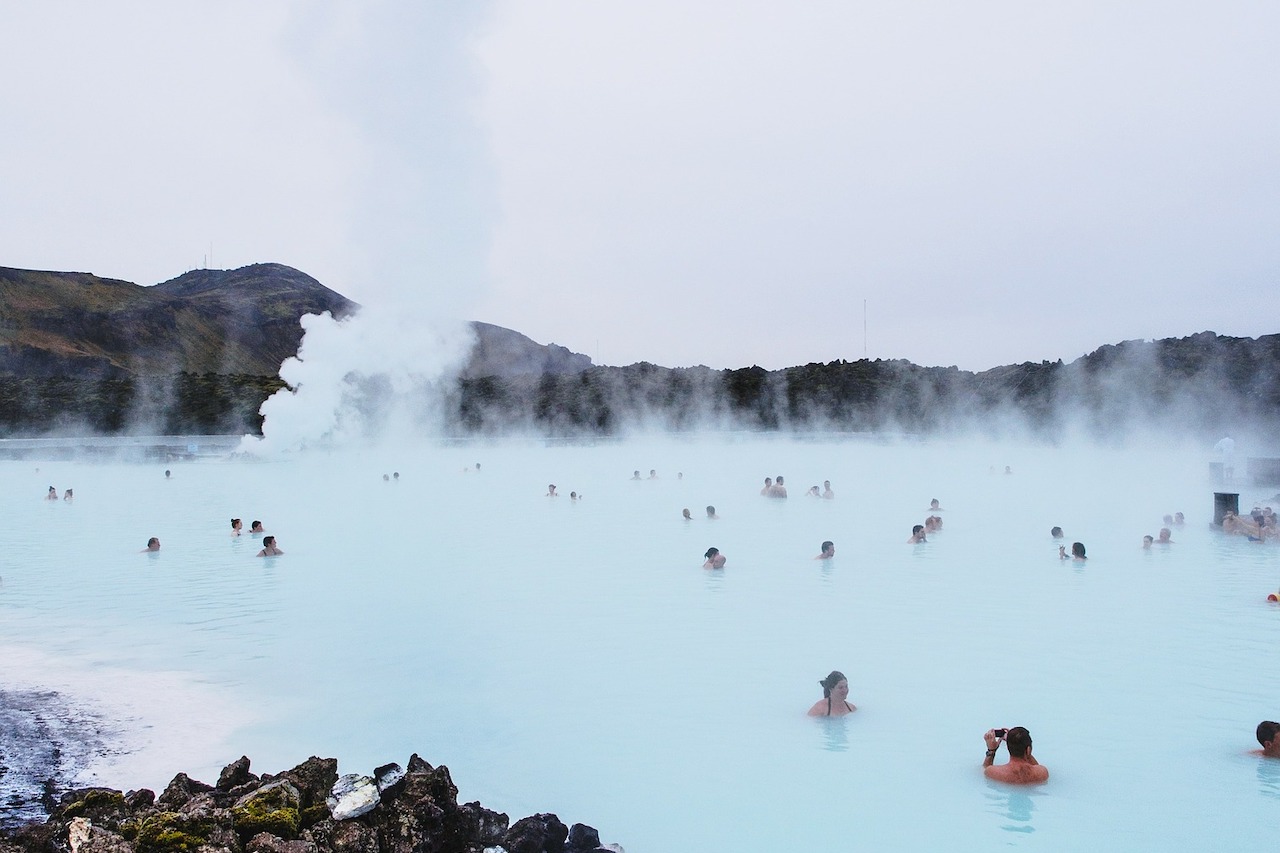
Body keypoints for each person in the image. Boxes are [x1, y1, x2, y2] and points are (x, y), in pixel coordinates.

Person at [983, 727, 1048, 784]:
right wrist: (1028, 754)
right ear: (1028, 749)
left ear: (1008, 748)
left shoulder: (993, 772)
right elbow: (1036, 766)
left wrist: (991, 750)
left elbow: (984, 771)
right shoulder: (1042, 773)